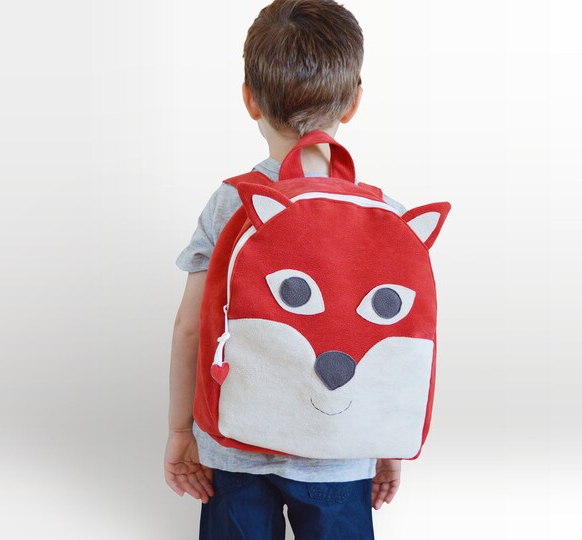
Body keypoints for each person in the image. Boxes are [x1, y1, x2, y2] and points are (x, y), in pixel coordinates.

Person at [165, 1, 406, 537]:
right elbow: (394, 347)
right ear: (354, 102)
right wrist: (387, 442)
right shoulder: (387, 217)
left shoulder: (231, 203)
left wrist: (181, 431)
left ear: (249, 98)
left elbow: (190, 328)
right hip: (340, 447)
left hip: (235, 444)